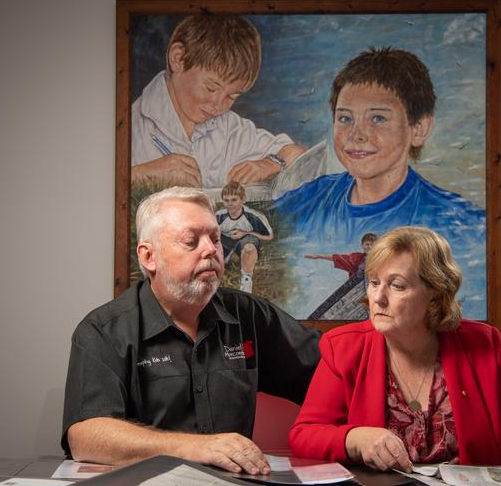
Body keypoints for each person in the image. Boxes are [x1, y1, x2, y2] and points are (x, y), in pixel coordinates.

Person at [289, 226, 501, 471]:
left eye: (397, 285)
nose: (378, 298)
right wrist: (355, 438)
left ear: (436, 295)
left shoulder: (482, 344)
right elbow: (304, 434)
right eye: (373, 282)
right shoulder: (343, 346)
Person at [62, 187, 320, 474]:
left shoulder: (248, 315)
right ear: (149, 257)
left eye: (215, 238)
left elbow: (333, 370)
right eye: (191, 241)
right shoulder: (103, 331)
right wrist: (194, 448)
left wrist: (354, 436)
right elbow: (86, 437)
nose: (211, 249)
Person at [272, 47, 486, 318]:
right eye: (345, 118)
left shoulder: (467, 226)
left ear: (418, 129)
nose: (357, 134)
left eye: (378, 118)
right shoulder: (303, 203)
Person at [131, 15, 305, 189]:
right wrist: (140, 175)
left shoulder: (229, 127)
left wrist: (270, 164)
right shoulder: (129, 122)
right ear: (178, 58)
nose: (218, 105)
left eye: (231, 97)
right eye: (211, 88)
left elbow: (300, 155)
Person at [216, 181, 273, 293]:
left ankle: (246, 280)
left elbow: (269, 236)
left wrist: (245, 233)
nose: (230, 204)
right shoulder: (219, 216)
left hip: (245, 239)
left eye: (234, 200)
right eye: (226, 200)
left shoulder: (254, 216)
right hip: (226, 242)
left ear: (243, 199)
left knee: (249, 247)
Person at [306, 232, 377, 280]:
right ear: (362, 245)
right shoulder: (356, 258)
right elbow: (338, 258)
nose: (369, 247)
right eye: (367, 244)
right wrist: (319, 256)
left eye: (372, 244)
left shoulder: (381, 258)